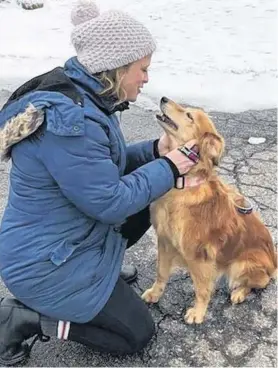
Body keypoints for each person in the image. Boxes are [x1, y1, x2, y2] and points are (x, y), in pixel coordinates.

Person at [0, 0, 202, 365]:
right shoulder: (71, 122)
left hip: (68, 241)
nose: (146, 78)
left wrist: (158, 150)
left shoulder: (88, 97)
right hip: (44, 265)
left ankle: (102, 271)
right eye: (142, 69)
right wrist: (171, 166)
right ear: (118, 67)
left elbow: (106, 167)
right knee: (135, 333)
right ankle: (27, 318)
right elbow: (109, 202)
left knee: (151, 189)